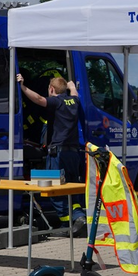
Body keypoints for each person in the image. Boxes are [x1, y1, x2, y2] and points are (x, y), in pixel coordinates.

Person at [17, 72, 86, 237]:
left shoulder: (56, 101)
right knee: (71, 188)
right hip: (73, 155)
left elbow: (39, 99)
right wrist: (71, 87)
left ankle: (72, 219)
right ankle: (77, 216)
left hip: (58, 155)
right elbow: (74, 93)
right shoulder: (74, 101)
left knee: (51, 189)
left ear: (51, 89)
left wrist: (22, 86)